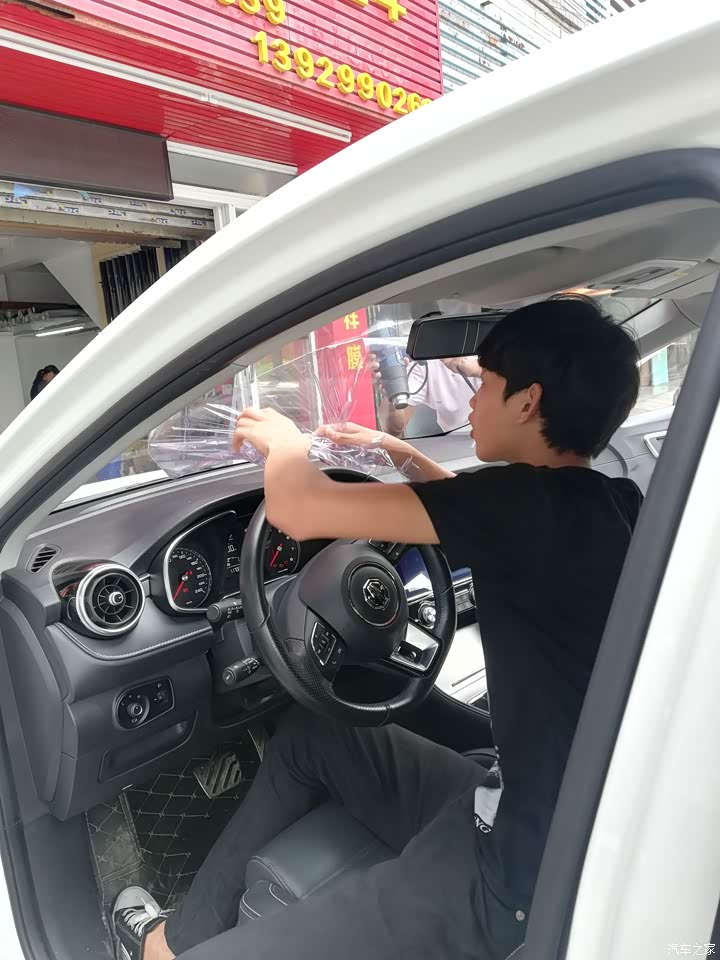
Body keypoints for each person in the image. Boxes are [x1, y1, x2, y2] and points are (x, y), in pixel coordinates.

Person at [112, 298, 642, 960]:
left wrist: (287, 443)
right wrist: (395, 450)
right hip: (543, 804)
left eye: (485, 384)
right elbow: (477, 513)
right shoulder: (606, 502)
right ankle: (177, 937)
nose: (472, 400)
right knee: (318, 733)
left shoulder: (519, 505)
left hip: (518, 874)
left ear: (528, 402)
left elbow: (299, 510)